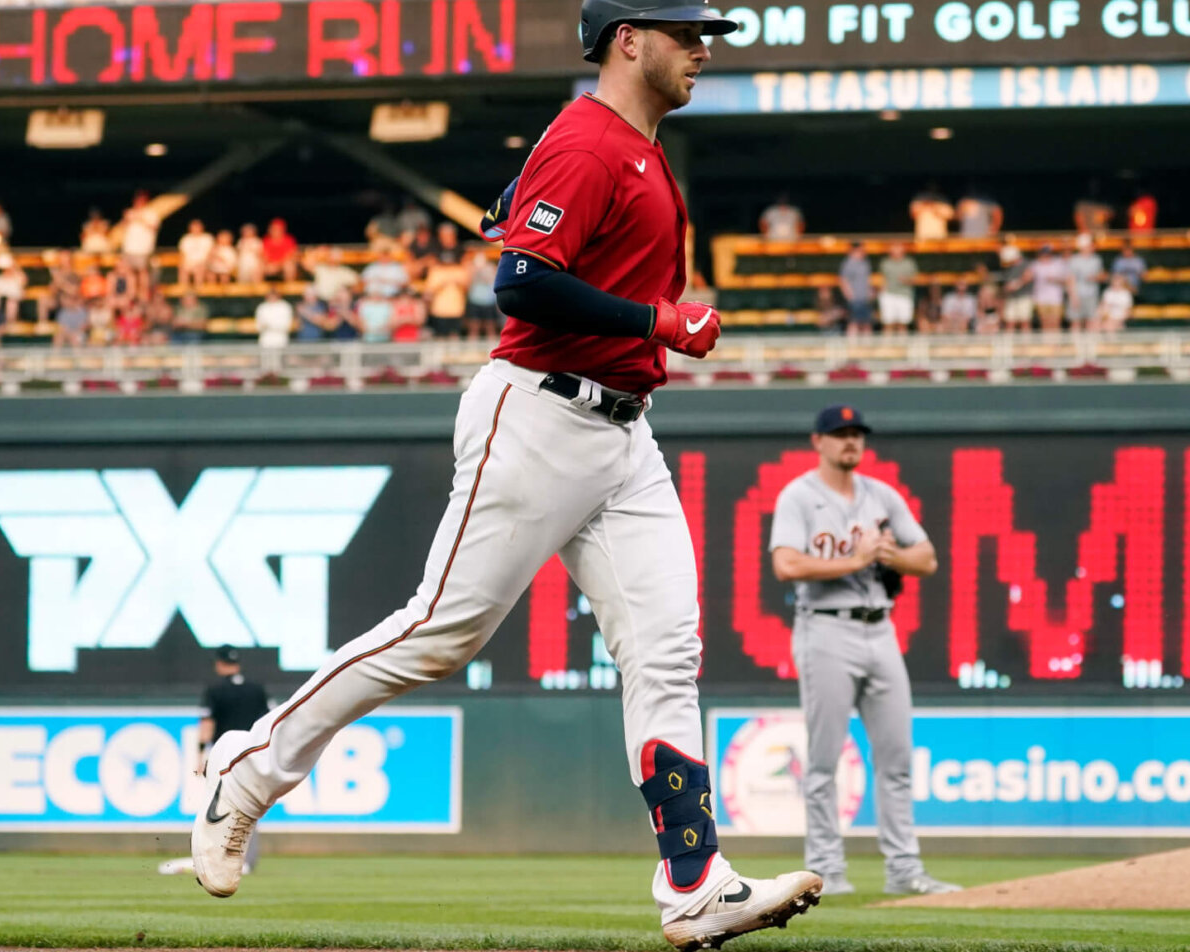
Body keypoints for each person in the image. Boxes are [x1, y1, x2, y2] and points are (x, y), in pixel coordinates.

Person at [188, 5, 823, 950]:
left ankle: (695, 881)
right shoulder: (592, 140)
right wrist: (656, 322)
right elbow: (520, 282)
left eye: (707, 33)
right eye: (685, 31)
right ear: (626, 39)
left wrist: (540, 215)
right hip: (538, 413)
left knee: (667, 652)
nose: (703, 47)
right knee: (441, 633)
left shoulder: (630, 147)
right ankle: (246, 771)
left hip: (622, 433)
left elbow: (532, 231)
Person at [768, 406, 959, 899]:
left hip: (880, 629)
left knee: (896, 759)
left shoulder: (881, 495)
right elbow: (785, 565)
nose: (850, 442)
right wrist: (856, 558)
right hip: (825, 631)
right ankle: (826, 871)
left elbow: (929, 558)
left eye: (856, 435)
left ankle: (905, 871)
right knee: (824, 761)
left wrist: (889, 555)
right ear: (818, 441)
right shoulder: (799, 496)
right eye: (840, 434)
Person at [162, 648, 271, 878]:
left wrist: (201, 754)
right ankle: (246, 858)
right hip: (253, 754)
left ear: (220, 664)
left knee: (220, 805)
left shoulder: (215, 690)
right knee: (250, 806)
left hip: (227, 756)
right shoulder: (257, 689)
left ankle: (223, 856)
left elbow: (207, 723)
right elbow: (269, 721)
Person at [1065, 234, 1104, 332]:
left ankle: (1090, 346)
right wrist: (1073, 297)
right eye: (1090, 245)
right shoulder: (1074, 260)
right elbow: (1070, 279)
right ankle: (1076, 345)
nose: (1092, 247)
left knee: (1092, 321)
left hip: (1092, 295)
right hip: (1078, 294)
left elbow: (1102, 276)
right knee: (1076, 322)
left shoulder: (1097, 259)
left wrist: (1096, 277)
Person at [876, 243, 917, 336]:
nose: (896, 249)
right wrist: (881, 288)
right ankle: (887, 348)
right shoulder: (885, 263)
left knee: (903, 324)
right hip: (888, 295)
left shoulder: (909, 263)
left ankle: (903, 347)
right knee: (888, 323)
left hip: (904, 295)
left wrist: (906, 280)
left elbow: (915, 280)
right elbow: (880, 279)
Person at [120, 191, 161, 277]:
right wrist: (127, 219)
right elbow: (122, 227)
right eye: (137, 200)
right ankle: (133, 290)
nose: (138, 202)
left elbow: (154, 227)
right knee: (129, 271)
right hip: (129, 248)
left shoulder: (151, 213)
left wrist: (140, 218)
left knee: (143, 271)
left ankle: (143, 290)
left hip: (143, 248)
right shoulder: (130, 212)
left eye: (141, 200)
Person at [1030, 243, 1069, 332]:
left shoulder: (1058, 264)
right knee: (1044, 322)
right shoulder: (1035, 265)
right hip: (1041, 298)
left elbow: (1066, 280)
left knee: (1056, 322)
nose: (1045, 255)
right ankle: (1047, 344)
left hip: (1056, 298)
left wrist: (1055, 279)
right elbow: (1028, 277)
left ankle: (1055, 344)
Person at [837, 245, 874, 336]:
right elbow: (843, 280)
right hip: (854, 298)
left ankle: (867, 346)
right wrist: (849, 295)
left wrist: (870, 291)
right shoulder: (848, 264)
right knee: (854, 322)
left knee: (866, 322)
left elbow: (868, 280)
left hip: (865, 297)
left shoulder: (865, 263)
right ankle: (852, 347)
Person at [465, 248, 501, 339]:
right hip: (475, 300)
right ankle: (471, 350)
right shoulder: (471, 269)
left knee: (490, 327)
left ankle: (492, 349)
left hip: (488, 301)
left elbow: (493, 282)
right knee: (474, 328)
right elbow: (467, 284)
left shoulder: (491, 268)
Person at [999, 240, 1033, 332]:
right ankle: (1009, 344)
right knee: (1010, 322)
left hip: (1024, 296)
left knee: (1025, 322)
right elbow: (1006, 283)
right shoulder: (1009, 267)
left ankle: (1026, 345)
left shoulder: (1025, 263)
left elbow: (1028, 276)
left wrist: (1016, 285)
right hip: (1011, 297)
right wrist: (1007, 288)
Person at [178, 220, 215, 288]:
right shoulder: (186, 238)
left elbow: (211, 252)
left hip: (203, 262)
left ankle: (198, 289)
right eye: (194, 227)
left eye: (197, 227)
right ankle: (183, 290)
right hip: (189, 262)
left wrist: (206, 262)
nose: (196, 229)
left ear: (202, 228)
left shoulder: (207, 238)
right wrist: (183, 263)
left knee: (199, 268)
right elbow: (182, 253)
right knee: (183, 268)